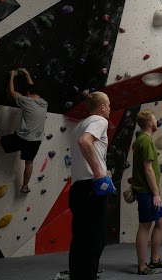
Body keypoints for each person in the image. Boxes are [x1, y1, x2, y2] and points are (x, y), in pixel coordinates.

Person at [69, 92, 114, 280]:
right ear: (102, 106)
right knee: (96, 240)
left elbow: (83, 142)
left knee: (80, 239)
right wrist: (99, 173)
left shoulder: (78, 125)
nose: (110, 108)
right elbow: (84, 142)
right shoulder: (100, 120)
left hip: (77, 188)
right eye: (109, 105)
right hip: (92, 187)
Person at [131, 109, 162, 275]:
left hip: (148, 190)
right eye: (154, 119)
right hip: (147, 191)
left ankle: (154, 260)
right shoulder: (146, 141)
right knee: (145, 225)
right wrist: (156, 194)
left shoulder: (142, 139)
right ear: (149, 122)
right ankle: (142, 266)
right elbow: (148, 170)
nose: (157, 121)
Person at [0, 68, 48, 193]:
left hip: (23, 138)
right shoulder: (44, 103)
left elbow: (12, 92)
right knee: (29, 162)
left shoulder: (26, 101)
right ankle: (25, 187)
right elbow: (32, 88)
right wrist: (26, 73)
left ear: (28, 94)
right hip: (36, 140)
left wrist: (12, 76)